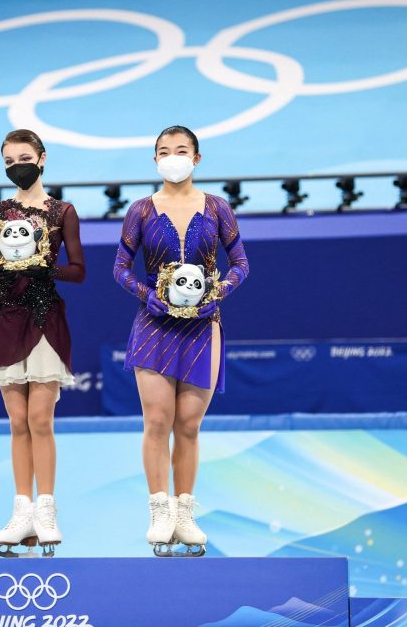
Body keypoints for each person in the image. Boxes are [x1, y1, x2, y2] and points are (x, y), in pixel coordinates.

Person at [113, 125, 249, 555]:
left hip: (203, 326)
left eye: (181, 150)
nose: (173, 157)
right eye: (164, 151)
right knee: (157, 421)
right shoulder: (140, 210)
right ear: (155, 159)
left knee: (188, 425)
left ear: (197, 158)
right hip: (154, 324)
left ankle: (185, 513)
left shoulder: (217, 208)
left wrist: (217, 293)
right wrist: (146, 294)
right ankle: (160, 512)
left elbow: (241, 264)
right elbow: (120, 267)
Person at [0, 129, 86, 556]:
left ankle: (47, 510)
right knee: (17, 422)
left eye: (24, 158)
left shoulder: (62, 212)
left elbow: (78, 270)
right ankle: (21, 511)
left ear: (41, 159)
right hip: (7, 319)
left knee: (41, 419)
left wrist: (46, 270)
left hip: (44, 320)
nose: (16, 166)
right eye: (9, 161)